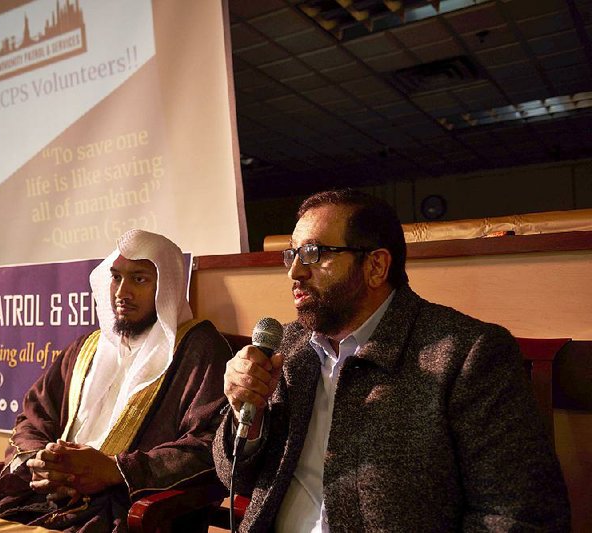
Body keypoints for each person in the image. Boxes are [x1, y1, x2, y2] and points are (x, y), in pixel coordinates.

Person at [213, 189, 571, 532]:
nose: (295, 272)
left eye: (314, 253)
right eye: (292, 255)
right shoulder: (288, 347)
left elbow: (516, 514)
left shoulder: (467, 355)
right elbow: (232, 477)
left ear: (376, 266)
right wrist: (249, 413)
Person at [0, 229, 231, 530]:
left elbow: (210, 446)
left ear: (169, 286)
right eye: (116, 277)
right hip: (41, 501)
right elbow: (33, 417)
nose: (122, 292)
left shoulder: (199, 348)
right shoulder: (87, 348)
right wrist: (43, 464)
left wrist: (115, 470)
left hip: (120, 512)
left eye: (139, 279)